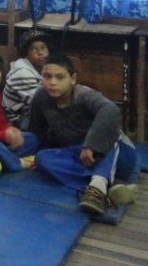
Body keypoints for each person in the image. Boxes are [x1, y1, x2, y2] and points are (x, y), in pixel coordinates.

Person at [29, 53, 139, 216]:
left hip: (117, 155)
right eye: (47, 76)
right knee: (42, 158)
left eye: (60, 77)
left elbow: (111, 110)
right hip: (80, 157)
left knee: (110, 133)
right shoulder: (40, 97)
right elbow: (38, 132)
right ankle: (103, 187)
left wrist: (91, 145)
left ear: (72, 79)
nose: (52, 82)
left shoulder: (84, 95)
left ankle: (98, 186)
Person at [2, 29, 51, 130]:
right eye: (33, 49)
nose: (40, 53)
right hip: (18, 121)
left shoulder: (41, 68)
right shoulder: (22, 73)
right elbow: (40, 103)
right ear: (26, 53)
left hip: (30, 113)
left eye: (43, 48)